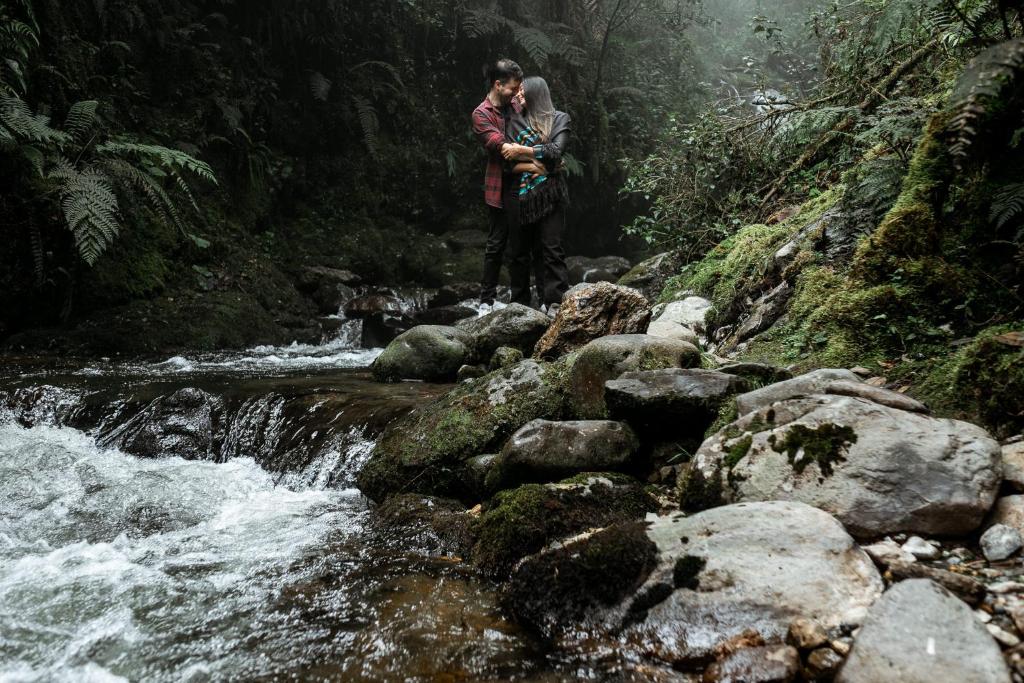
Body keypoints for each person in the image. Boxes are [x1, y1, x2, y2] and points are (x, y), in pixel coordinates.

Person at [501, 76, 571, 316]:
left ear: (535, 93)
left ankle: (554, 303)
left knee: (551, 248)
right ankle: (519, 307)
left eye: (522, 91)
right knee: (519, 252)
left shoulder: (560, 119)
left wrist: (522, 150)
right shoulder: (514, 122)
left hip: (550, 194)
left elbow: (555, 151)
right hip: (520, 193)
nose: (518, 95)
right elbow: (507, 163)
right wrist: (538, 164)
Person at [470, 59, 523, 315]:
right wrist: (535, 154)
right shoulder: (481, 114)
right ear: (498, 84)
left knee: (522, 245)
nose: (516, 93)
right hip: (500, 185)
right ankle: (486, 301)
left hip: (526, 182)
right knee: (496, 245)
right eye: (513, 88)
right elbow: (503, 148)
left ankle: (521, 301)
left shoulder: (517, 104)